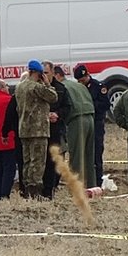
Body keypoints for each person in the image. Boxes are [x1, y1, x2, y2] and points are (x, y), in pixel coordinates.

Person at [15, 59, 58, 198]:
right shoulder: (36, 87)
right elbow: (53, 97)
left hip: (24, 129)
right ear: (39, 73)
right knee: (38, 162)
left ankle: (27, 189)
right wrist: (47, 83)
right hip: (38, 130)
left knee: (27, 161)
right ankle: (35, 191)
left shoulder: (19, 87)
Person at [58, 66, 96, 188]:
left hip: (76, 120)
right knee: (89, 156)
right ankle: (91, 186)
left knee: (76, 157)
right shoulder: (79, 85)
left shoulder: (62, 87)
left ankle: (77, 187)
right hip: (90, 118)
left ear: (57, 75)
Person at [74, 65, 110, 187]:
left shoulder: (98, 87)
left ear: (87, 75)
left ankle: (97, 180)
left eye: (83, 80)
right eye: (79, 81)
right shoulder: (78, 88)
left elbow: (105, 104)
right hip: (83, 123)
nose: (81, 83)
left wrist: (90, 106)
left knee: (96, 152)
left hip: (96, 123)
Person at [41, 62, 71, 199]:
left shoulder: (61, 88)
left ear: (53, 72)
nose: (43, 76)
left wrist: (57, 114)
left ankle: (50, 189)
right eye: (42, 73)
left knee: (54, 160)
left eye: (46, 73)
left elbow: (67, 107)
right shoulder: (37, 87)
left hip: (55, 129)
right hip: (40, 130)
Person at [2, 72, 27, 197]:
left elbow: (9, 116)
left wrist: (5, 133)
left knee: (22, 162)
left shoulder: (16, 97)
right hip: (36, 134)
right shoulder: (37, 94)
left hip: (19, 134)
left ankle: (24, 189)